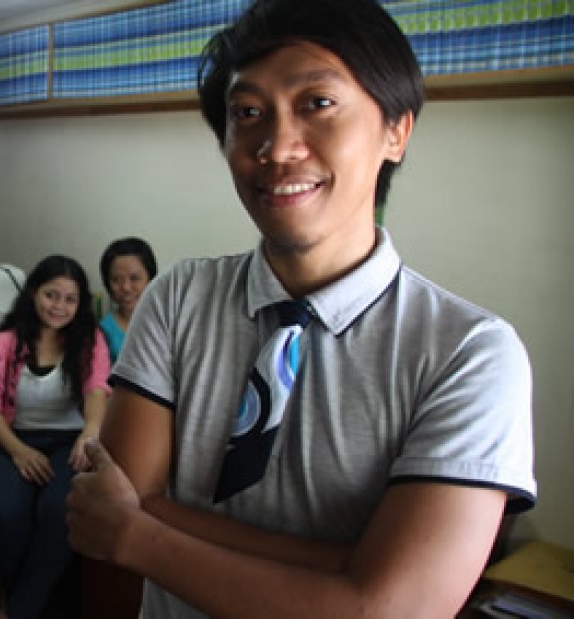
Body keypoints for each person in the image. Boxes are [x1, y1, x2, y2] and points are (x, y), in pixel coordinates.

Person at [65, 1, 537, 618]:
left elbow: (392, 611)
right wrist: (350, 566)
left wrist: (138, 536)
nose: (278, 147)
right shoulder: (179, 297)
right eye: (248, 113)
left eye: (317, 103)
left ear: (396, 130)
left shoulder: (469, 354)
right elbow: (116, 497)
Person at [0, 254, 111, 619]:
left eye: (70, 299)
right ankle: (27, 600)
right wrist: (19, 452)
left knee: (59, 511)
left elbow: (98, 388)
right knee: (4, 511)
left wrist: (90, 432)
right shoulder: (3, 343)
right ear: (34, 292)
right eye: (52, 295)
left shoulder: (89, 340)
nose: (59, 306)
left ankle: (18, 609)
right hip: (15, 439)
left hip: (70, 441)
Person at [98, 237, 157, 364]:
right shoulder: (102, 332)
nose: (126, 287)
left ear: (151, 279)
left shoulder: (169, 322)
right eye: (116, 280)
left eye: (134, 278)